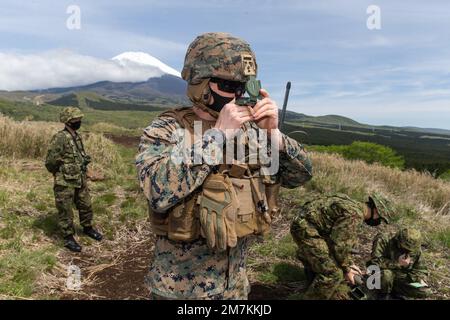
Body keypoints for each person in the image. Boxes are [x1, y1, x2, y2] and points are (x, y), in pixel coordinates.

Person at [136, 32, 313, 299]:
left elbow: (301, 175)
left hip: (235, 288)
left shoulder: (251, 132)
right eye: (229, 86)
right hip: (181, 291)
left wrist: (273, 135)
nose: (238, 96)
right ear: (200, 84)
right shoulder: (168, 129)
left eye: (246, 87)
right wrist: (217, 137)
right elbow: (158, 191)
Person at [290, 193, 391, 299]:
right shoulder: (354, 215)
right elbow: (339, 246)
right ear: (376, 211)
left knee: (328, 260)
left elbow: (336, 240)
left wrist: (349, 264)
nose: (378, 221)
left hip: (303, 225)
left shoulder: (352, 204)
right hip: (307, 231)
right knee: (333, 273)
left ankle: (311, 282)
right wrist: (347, 269)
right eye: (380, 218)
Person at [45, 107, 102, 252]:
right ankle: (68, 237)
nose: (79, 121)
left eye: (79, 119)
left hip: (80, 178)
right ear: (68, 121)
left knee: (86, 205)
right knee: (65, 209)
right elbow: (50, 161)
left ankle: (87, 228)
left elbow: (80, 156)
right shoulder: (60, 138)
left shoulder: (76, 136)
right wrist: (59, 173)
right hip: (65, 181)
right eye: (76, 119)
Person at [367, 227, 430, 299]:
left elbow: (421, 270)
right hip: (380, 275)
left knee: (425, 290)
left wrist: (419, 279)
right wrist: (398, 263)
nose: (407, 251)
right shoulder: (384, 239)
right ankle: (382, 296)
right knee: (387, 275)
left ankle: (396, 294)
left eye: (409, 250)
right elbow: (374, 263)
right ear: (398, 240)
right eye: (404, 248)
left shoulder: (415, 249)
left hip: (400, 279)